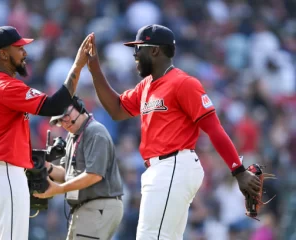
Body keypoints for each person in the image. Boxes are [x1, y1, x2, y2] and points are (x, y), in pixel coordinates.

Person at [82, 25, 262, 239]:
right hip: (162, 169)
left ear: (155, 51)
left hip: (173, 165)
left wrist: (238, 171)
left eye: (139, 48)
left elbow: (214, 129)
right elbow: (117, 109)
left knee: (150, 236)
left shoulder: (184, 83)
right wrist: (94, 68)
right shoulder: (146, 86)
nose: (135, 54)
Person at [0, 26, 91, 240]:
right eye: (19, 48)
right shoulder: (6, 86)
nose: (24, 53)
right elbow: (54, 105)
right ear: (3, 54)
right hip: (1, 173)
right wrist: (78, 65)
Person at [33, 96, 124, 240]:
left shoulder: (95, 131)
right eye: (60, 121)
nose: (64, 122)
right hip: (85, 208)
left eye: (66, 116)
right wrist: (47, 167)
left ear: (80, 107)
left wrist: (60, 189)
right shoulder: (72, 136)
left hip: (98, 204)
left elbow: (94, 175)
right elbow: (66, 174)